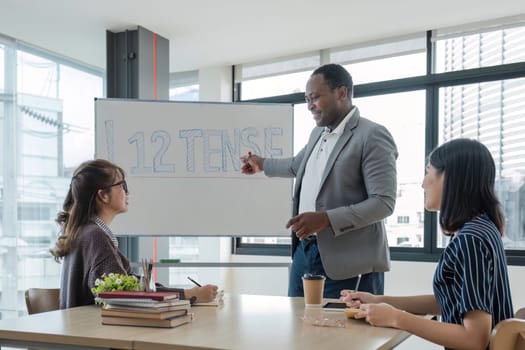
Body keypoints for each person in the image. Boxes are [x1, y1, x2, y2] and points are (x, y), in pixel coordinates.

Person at [241, 63, 398, 297]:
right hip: (305, 253)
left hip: (349, 262)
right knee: (297, 327)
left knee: (342, 333)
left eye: (314, 97)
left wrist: (326, 219)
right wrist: (261, 163)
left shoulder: (372, 135)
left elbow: (383, 203)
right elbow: (296, 165)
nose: (309, 106)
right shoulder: (318, 134)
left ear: (341, 93)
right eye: (306, 99)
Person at [341, 138, 514, 350]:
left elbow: (474, 339)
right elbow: (452, 301)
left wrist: (397, 318)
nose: (423, 183)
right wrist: (379, 301)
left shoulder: (471, 239)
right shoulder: (481, 228)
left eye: (428, 172)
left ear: (449, 178)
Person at [50, 159, 218, 308]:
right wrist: (189, 295)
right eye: (122, 186)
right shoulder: (95, 236)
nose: (127, 192)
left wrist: (184, 293)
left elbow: (127, 285)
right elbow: (127, 295)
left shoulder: (84, 231)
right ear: (103, 196)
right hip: (98, 335)